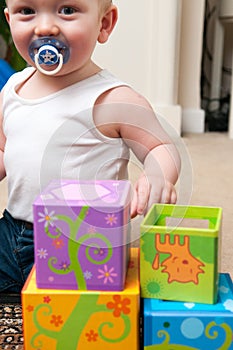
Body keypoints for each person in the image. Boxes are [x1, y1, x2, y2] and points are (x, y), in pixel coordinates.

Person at [0, 0, 181, 293]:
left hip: (83, 240)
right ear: (9, 20)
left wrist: (158, 174)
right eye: (27, 11)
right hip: (12, 231)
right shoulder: (13, 89)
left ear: (104, 23)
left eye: (67, 10)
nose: (45, 26)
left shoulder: (112, 98)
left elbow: (159, 145)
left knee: (79, 316)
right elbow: (4, 149)